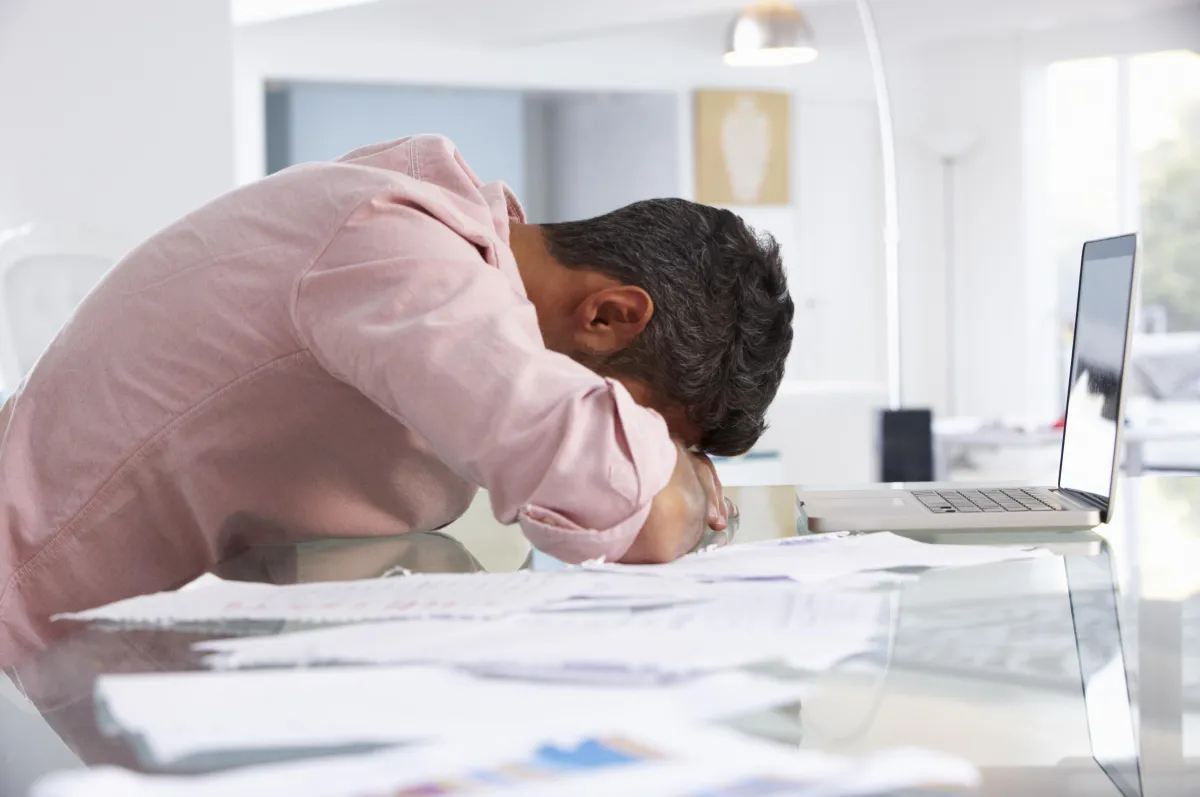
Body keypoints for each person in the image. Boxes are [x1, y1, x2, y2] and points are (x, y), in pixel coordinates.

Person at [0, 135, 793, 664]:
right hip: (24, 631)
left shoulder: (444, 254)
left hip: (100, 650)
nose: (657, 452)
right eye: (644, 420)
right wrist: (682, 488)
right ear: (609, 314)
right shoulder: (394, 244)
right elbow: (635, 505)